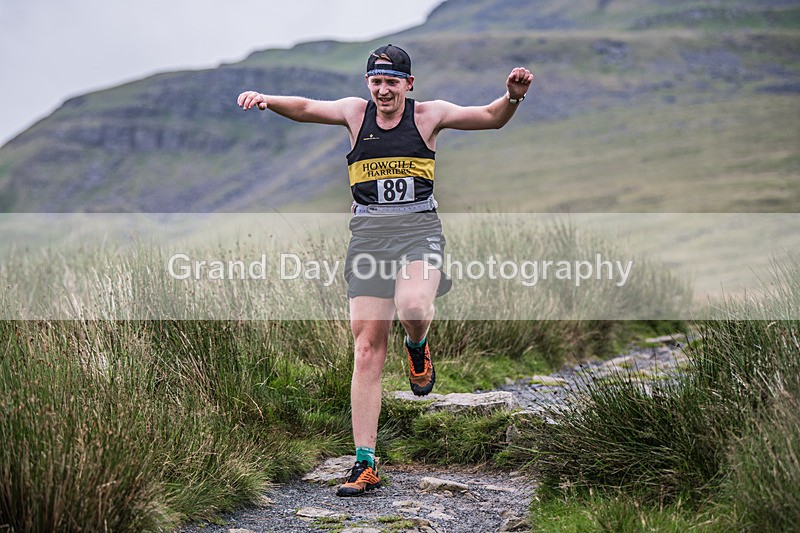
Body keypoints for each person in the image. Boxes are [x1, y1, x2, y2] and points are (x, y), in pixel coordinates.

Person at [237, 44, 532, 497]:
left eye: (392, 82)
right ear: (367, 84)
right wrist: (268, 99)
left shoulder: (429, 116)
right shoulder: (356, 114)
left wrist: (512, 96)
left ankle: (417, 346)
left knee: (413, 305)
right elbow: (306, 108)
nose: (383, 90)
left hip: (419, 233)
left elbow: (489, 117)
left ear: (408, 84)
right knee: (366, 347)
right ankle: (365, 462)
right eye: (376, 81)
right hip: (370, 240)